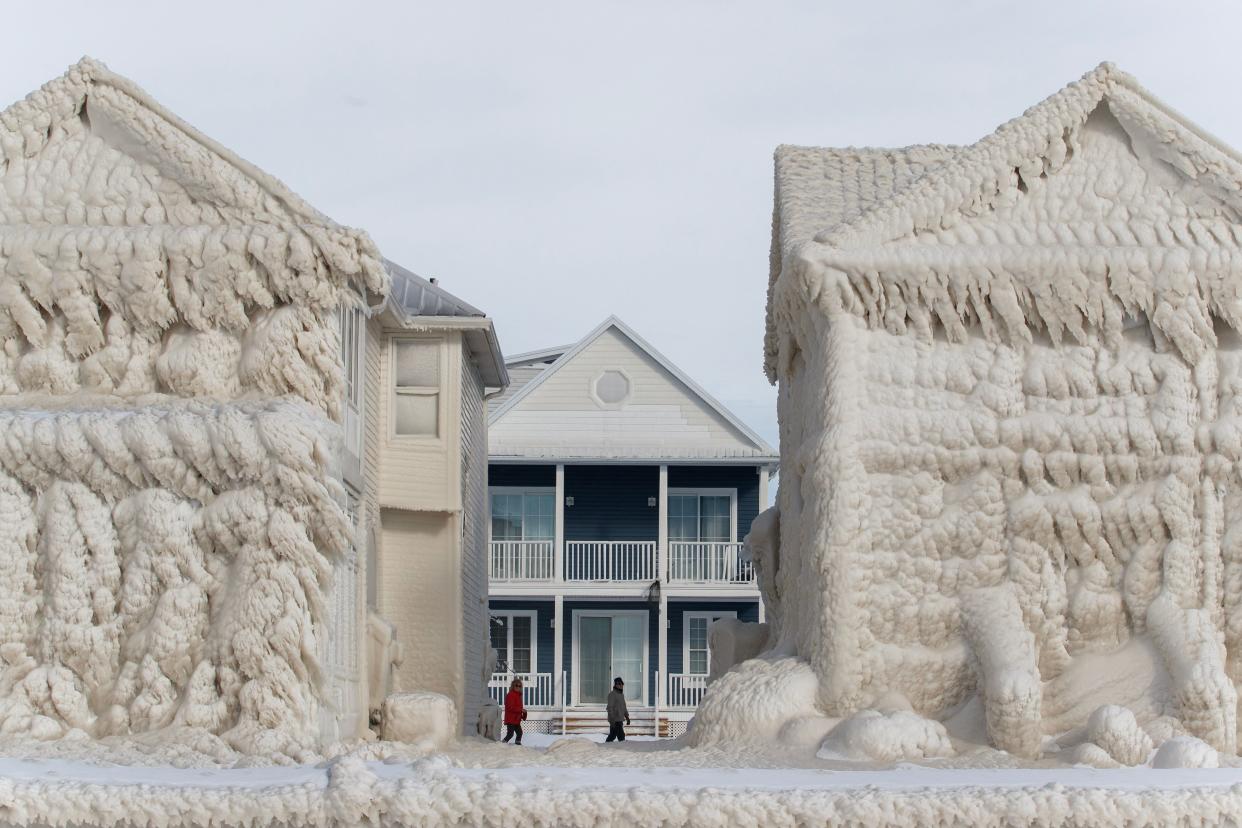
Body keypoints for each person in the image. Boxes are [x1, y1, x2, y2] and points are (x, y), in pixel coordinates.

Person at [502, 677, 527, 745]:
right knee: (510, 734)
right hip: (511, 718)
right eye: (516, 685)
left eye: (520, 686)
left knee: (519, 733)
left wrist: (523, 713)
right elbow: (510, 707)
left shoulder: (519, 696)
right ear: (513, 686)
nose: (518, 687)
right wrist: (521, 710)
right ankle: (501, 745)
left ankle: (517, 745)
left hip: (516, 719)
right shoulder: (510, 695)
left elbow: (518, 708)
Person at [605, 676, 630, 742]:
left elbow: (624, 706)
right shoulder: (612, 694)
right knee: (621, 736)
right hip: (615, 719)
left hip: (620, 719)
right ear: (616, 685)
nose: (622, 686)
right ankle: (621, 747)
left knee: (613, 735)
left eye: (622, 684)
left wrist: (627, 716)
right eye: (620, 684)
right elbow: (610, 707)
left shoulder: (621, 695)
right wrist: (612, 719)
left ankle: (607, 745)